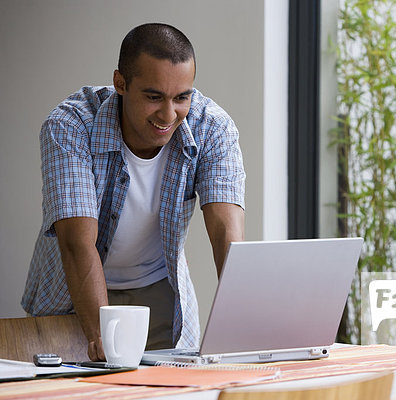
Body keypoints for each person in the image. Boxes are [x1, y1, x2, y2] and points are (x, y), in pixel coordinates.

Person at [21, 23, 245, 361]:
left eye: (181, 97)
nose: (169, 115)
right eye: (154, 97)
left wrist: (245, 328)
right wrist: (102, 339)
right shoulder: (70, 126)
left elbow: (226, 233)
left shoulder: (212, 127)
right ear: (120, 84)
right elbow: (76, 243)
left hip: (158, 290)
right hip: (71, 290)